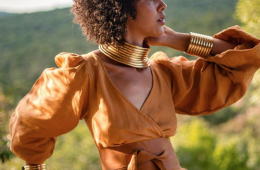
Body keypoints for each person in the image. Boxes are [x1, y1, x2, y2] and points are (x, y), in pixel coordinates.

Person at [9, 0, 260, 169]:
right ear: (120, 7)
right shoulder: (83, 73)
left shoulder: (164, 72)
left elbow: (244, 58)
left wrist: (175, 39)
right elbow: (29, 126)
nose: (162, 4)